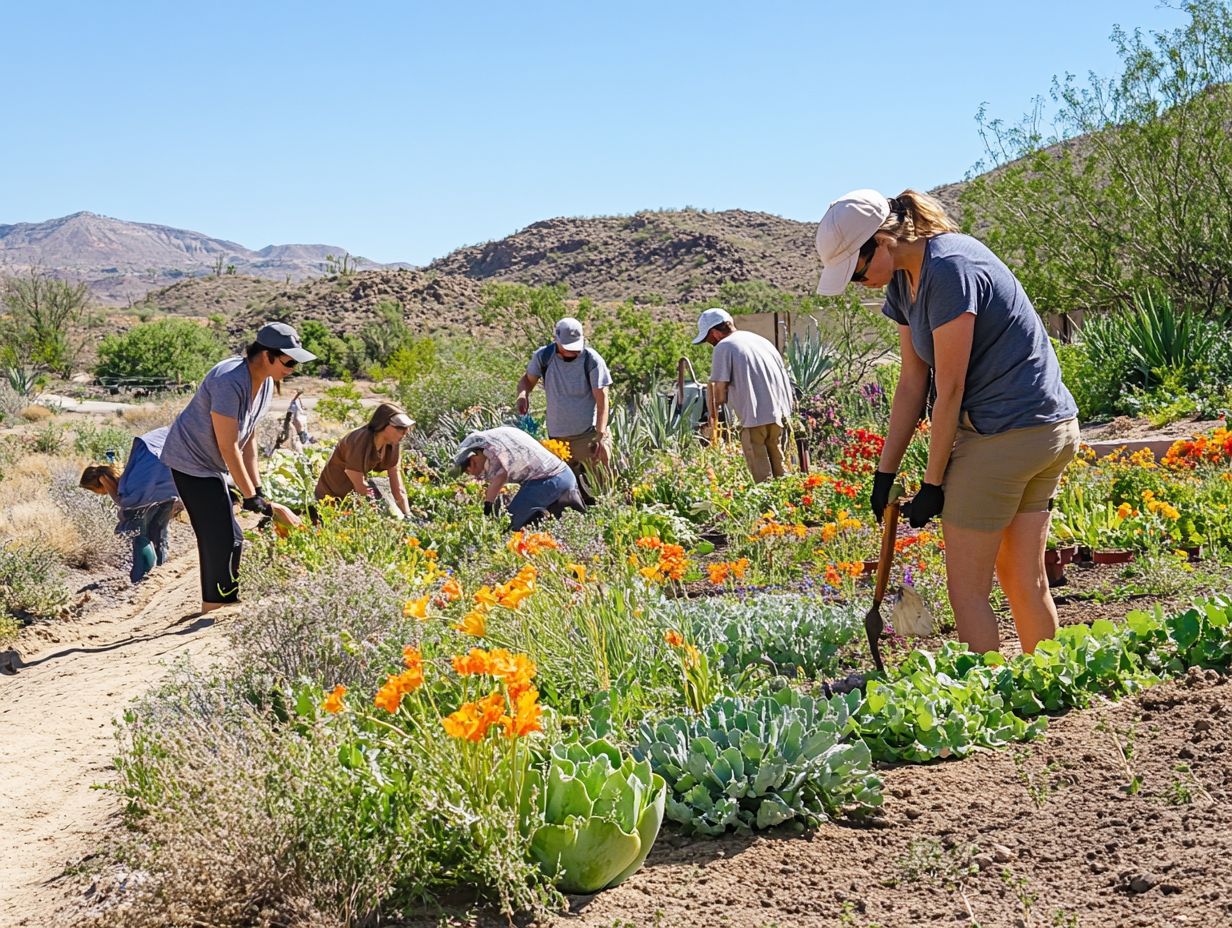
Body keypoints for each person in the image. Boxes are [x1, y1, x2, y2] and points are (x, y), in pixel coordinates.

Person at [815, 188, 1079, 656]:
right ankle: (1050, 684)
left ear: (881, 239)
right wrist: (885, 472)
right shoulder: (903, 278)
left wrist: (933, 484)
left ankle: (985, 704)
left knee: (966, 591)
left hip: (1006, 433)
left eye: (855, 272)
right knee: (1022, 576)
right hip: (1043, 427)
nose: (858, 283)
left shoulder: (950, 269)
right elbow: (913, 381)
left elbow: (950, 389)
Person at [160, 322, 312, 614]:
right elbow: (228, 447)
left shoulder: (265, 383)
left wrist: (257, 491)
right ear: (266, 355)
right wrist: (253, 497)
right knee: (221, 537)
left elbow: (248, 439)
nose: (293, 369)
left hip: (213, 465)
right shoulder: (228, 380)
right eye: (289, 361)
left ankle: (222, 605)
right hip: (190, 461)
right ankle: (214, 609)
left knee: (233, 538)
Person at [515, 316, 613, 500]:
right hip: (558, 440)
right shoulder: (544, 357)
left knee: (600, 492)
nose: (572, 352)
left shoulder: (592, 360)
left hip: (587, 435)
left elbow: (602, 401)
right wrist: (523, 394)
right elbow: (527, 381)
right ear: (556, 340)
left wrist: (600, 436)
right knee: (568, 493)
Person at [693, 307, 795, 483]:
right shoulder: (758, 340)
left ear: (715, 332)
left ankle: (768, 506)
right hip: (778, 414)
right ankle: (788, 499)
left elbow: (720, 391)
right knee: (778, 462)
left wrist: (714, 411)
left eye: (708, 338)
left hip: (754, 418)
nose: (710, 343)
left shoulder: (724, 347)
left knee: (761, 471)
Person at [79, 426, 179, 584]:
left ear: (96, 484)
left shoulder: (108, 479)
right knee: (160, 534)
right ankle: (162, 570)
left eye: (94, 490)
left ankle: (141, 577)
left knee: (139, 535)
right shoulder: (128, 475)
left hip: (143, 502)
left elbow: (122, 501)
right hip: (166, 494)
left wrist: (104, 481)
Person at [451, 426, 586, 531]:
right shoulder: (494, 447)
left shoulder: (494, 450)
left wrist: (487, 510)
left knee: (510, 524)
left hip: (551, 480)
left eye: (470, 464)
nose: (470, 470)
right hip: (560, 476)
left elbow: (499, 479)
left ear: (476, 453)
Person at [315, 403, 413, 517]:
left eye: (406, 428)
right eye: (400, 428)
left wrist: (408, 514)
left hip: (353, 495)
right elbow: (360, 485)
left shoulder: (393, 443)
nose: (405, 432)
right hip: (330, 495)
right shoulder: (359, 441)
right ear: (384, 425)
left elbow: (398, 486)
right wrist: (375, 514)